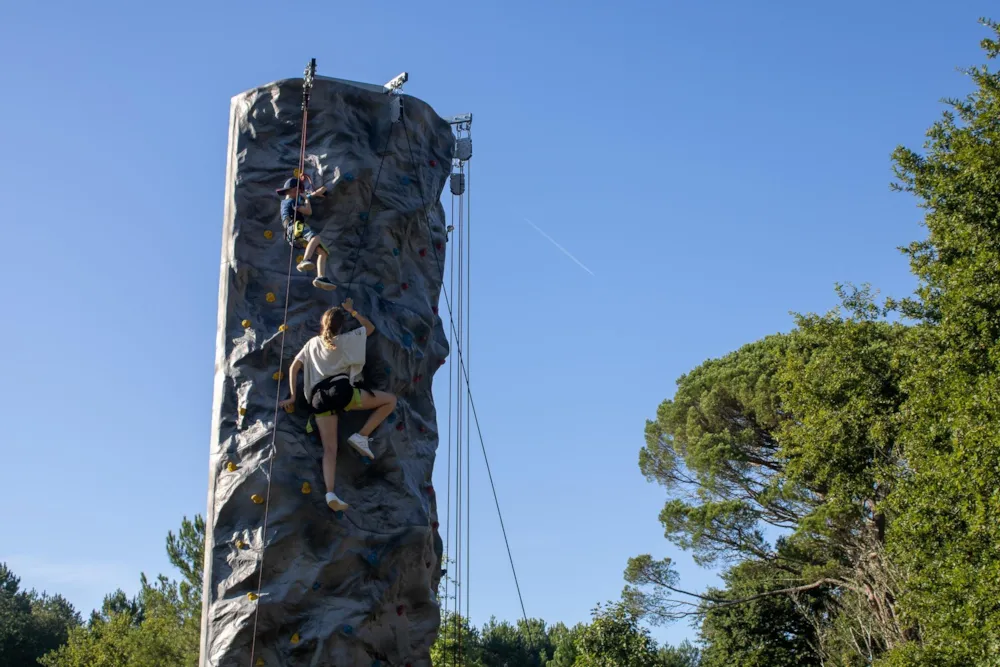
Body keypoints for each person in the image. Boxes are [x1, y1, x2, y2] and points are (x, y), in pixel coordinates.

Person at [280, 298, 398, 511]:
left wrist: (291, 396)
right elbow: (370, 328)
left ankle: (330, 492)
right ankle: (361, 435)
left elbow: (293, 368)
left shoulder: (311, 344)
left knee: (329, 449)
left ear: (322, 323)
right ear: (340, 326)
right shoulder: (345, 340)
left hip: (319, 399)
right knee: (390, 400)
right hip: (342, 392)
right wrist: (353, 311)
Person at [277, 173, 336, 291]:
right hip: (296, 227)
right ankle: (305, 260)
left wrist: (312, 195)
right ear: (294, 190)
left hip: (294, 233)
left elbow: (308, 197)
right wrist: (306, 199)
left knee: (322, 252)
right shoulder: (291, 202)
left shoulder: (287, 202)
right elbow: (308, 211)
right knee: (315, 238)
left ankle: (321, 277)